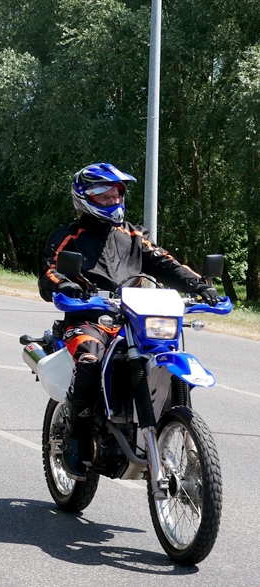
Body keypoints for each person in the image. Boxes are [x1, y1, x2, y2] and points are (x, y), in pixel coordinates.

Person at [39, 163, 219, 479]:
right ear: (84, 197)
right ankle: (77, 437)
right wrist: (65, 285)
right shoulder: (68, 236)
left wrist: (200, 285)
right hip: (89, 320)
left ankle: (185, 440)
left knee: (164, 356)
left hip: (134, 320)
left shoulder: (134, 235)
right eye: (103, 194)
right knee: (90, 358)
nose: (112, 199)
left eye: (116, 193)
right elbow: (51, 271)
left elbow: (167, 263)